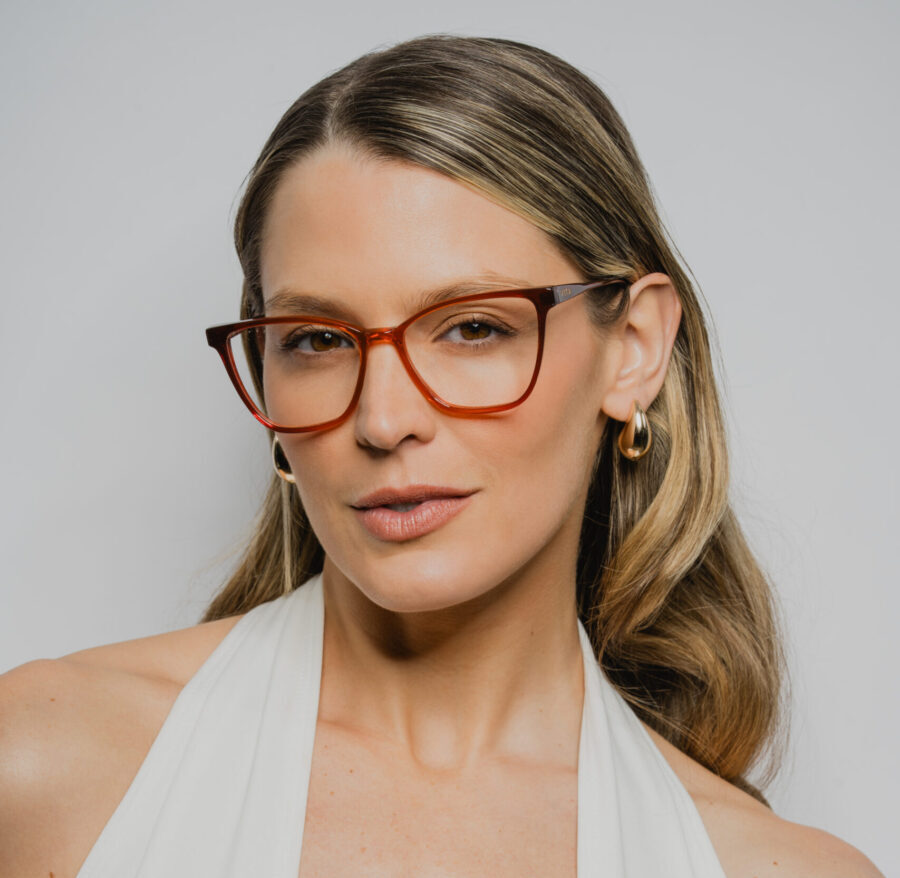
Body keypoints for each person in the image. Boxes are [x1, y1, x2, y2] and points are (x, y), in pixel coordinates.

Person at [0, 34, 884, 878]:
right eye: (317, 339)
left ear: (634, 351)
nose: (383, 421)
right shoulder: (43, 765)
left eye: (472, 328)